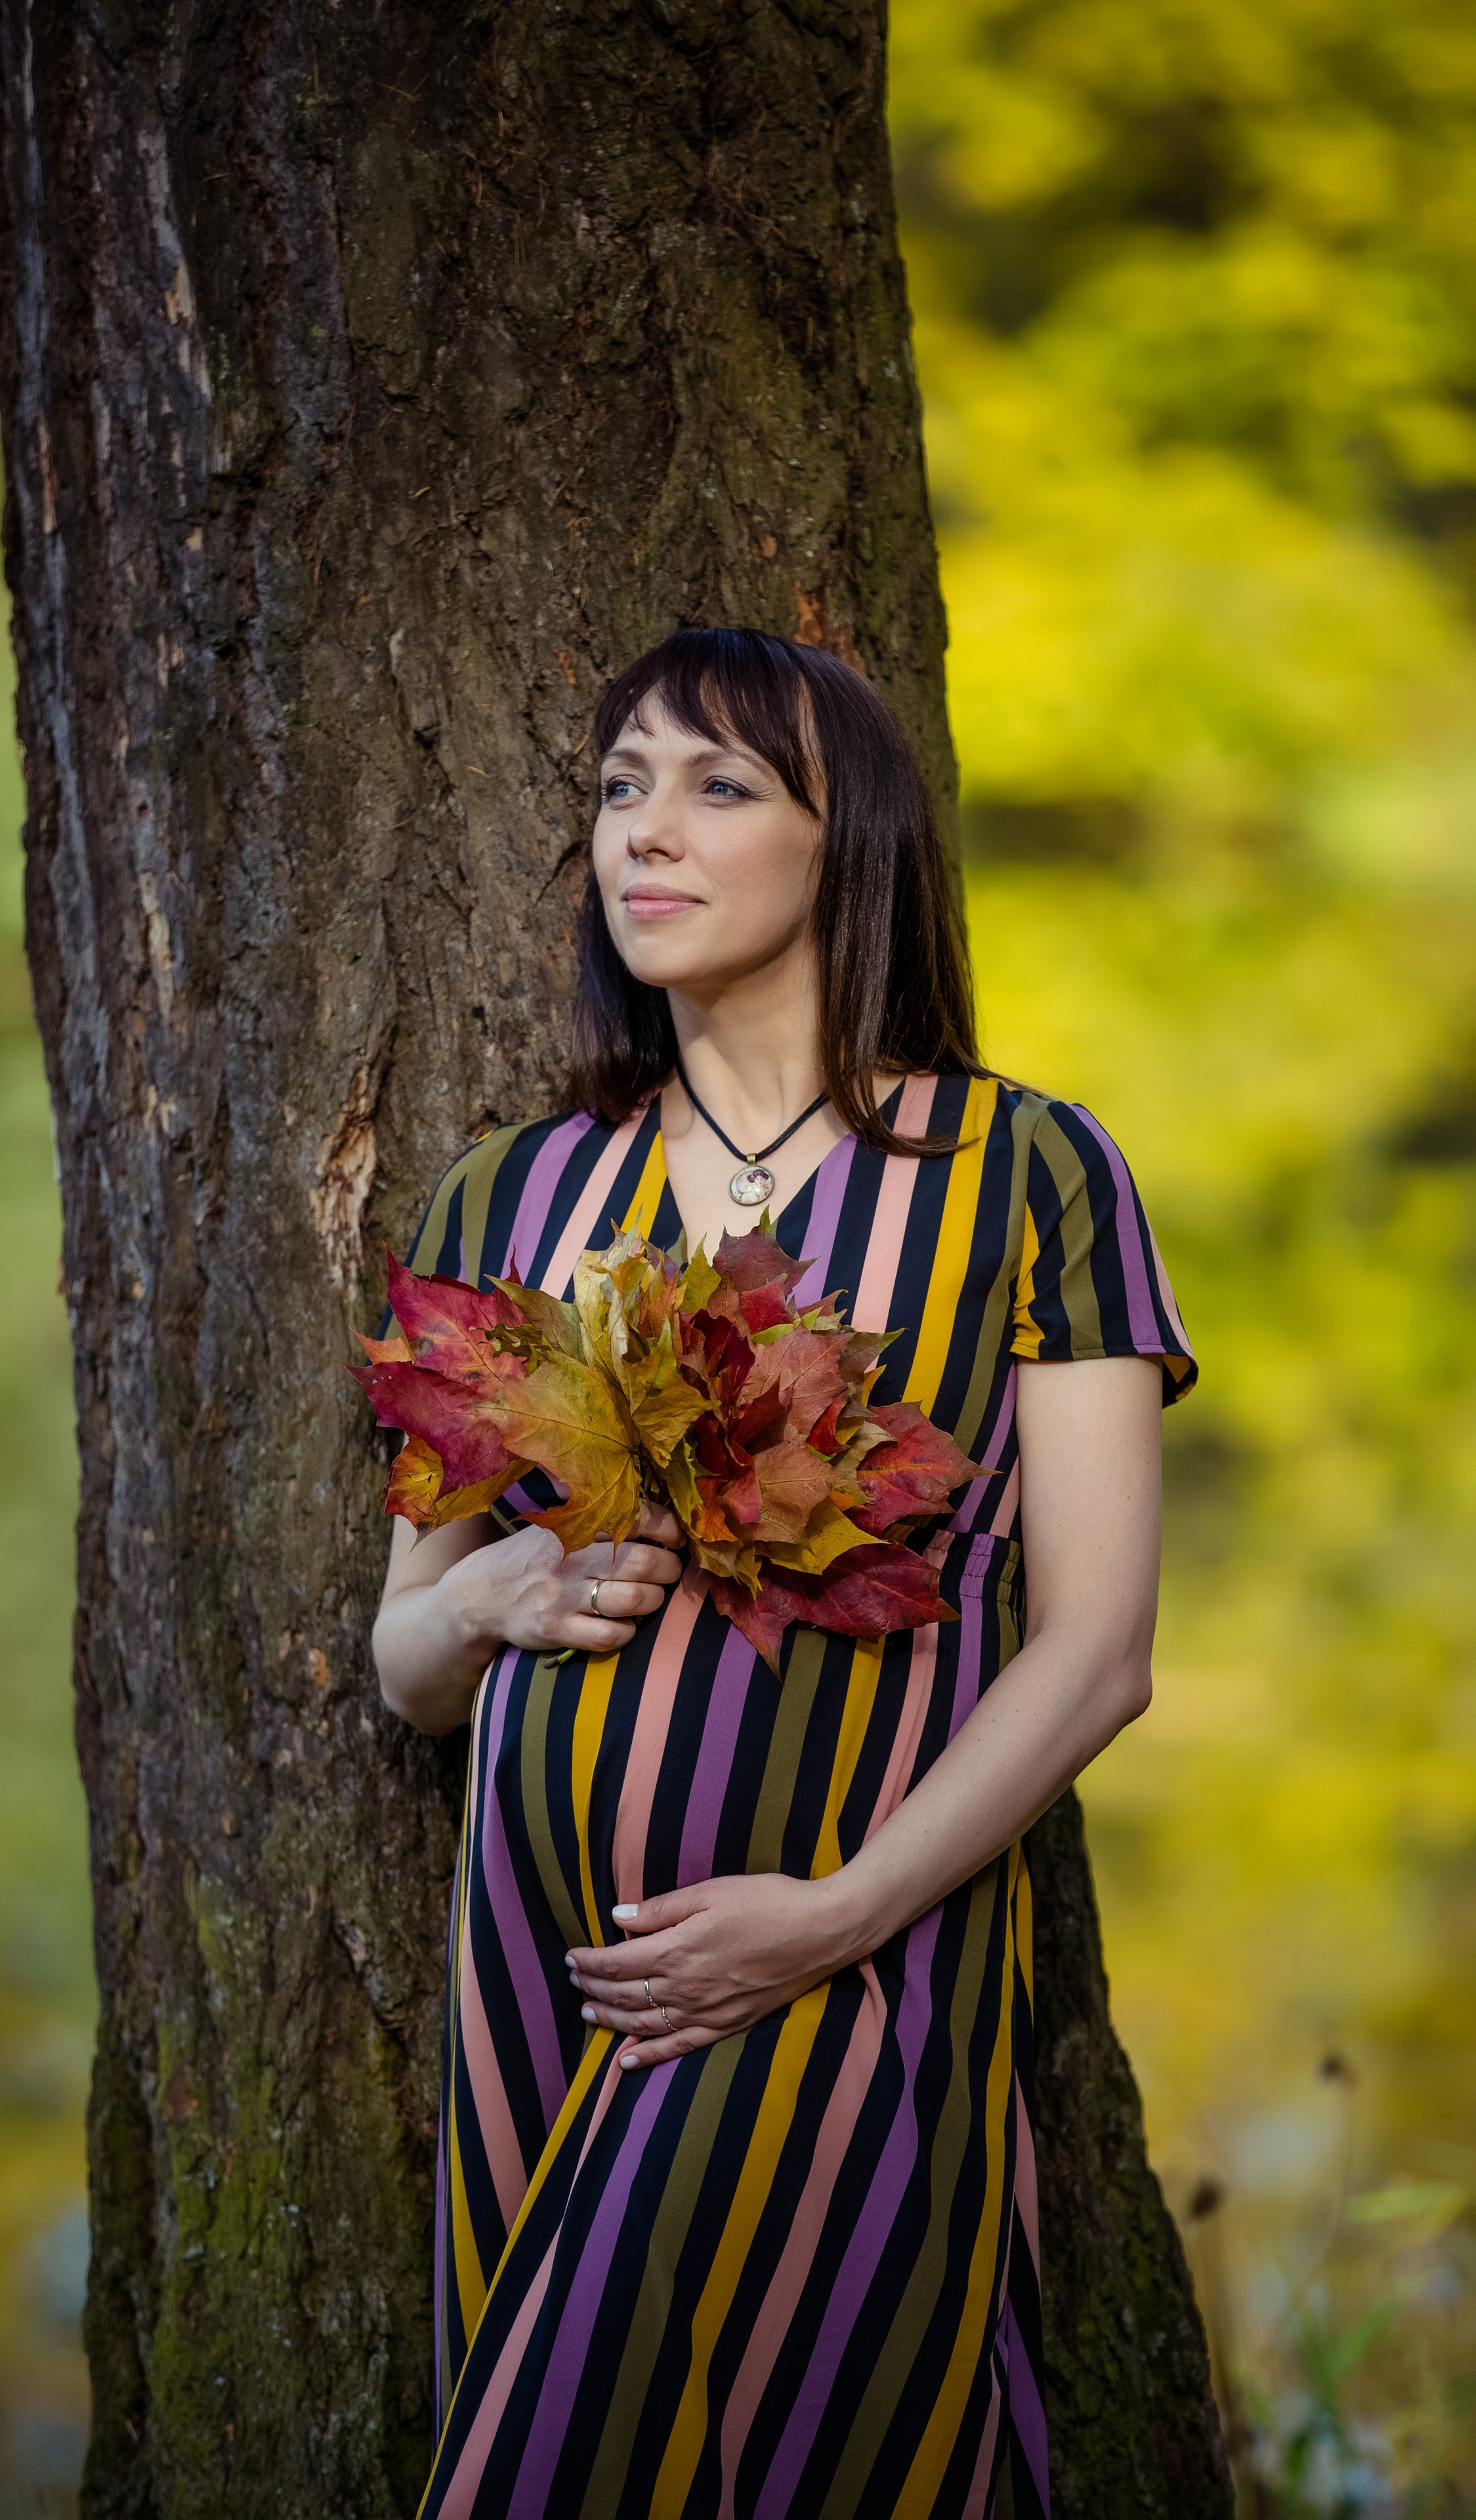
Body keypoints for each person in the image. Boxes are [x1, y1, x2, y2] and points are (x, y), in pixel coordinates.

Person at [373, 627, 1196, 2519]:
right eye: (618, 789)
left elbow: (1099, 1652)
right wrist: (490, 1600)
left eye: (717, 787)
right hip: (551, 1994)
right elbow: (405, 1661)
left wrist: (830, 1918)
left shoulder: (1027, 1174)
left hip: (846, 1967)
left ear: (853, 842)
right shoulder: (509, 1197)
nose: (644, 837)